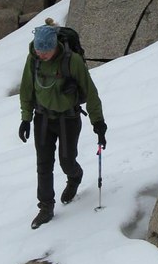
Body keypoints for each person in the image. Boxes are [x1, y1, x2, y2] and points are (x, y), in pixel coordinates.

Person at [19, 22, 107, 229]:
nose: (42, 55)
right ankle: (46, 207)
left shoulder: (72, 61)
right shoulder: (33, 60)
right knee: (44, 164)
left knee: (66, 160)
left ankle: (75, 176)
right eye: (39, 50)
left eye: (46, 51)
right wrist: (26, 118)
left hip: (68, 119)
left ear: (55, 46)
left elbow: (91, 93)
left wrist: (98, 123)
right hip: (42, 118)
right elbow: (26, 89)